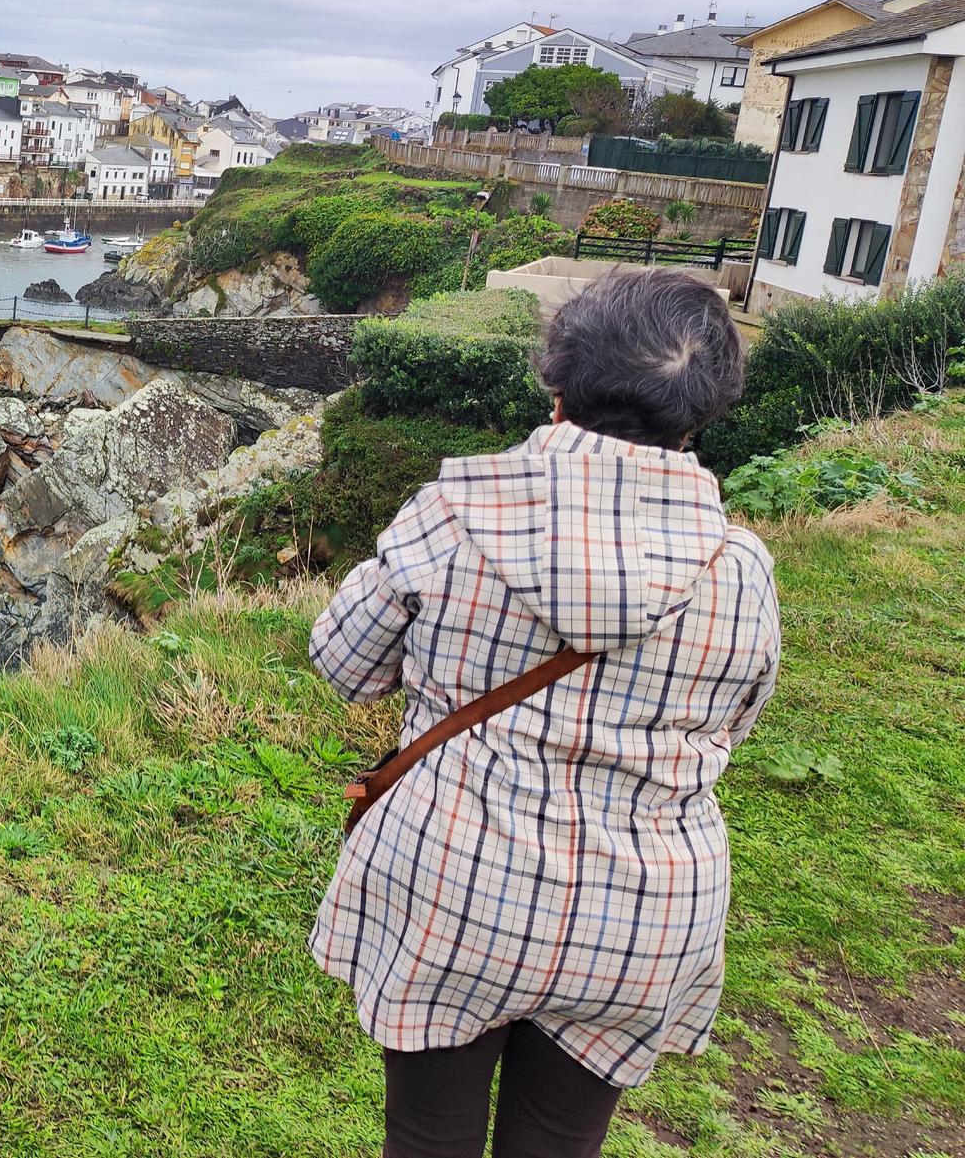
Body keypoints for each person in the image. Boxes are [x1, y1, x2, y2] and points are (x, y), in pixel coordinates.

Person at [306, 268, 780, 1158]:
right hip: (647, 907)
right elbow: (733, 723)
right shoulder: (739, 564)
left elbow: (343, 662)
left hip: (457, 880)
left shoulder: (457, 513)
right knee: (562, 1141)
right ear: (702, 412)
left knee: (427, 1135)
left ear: (557, 384)